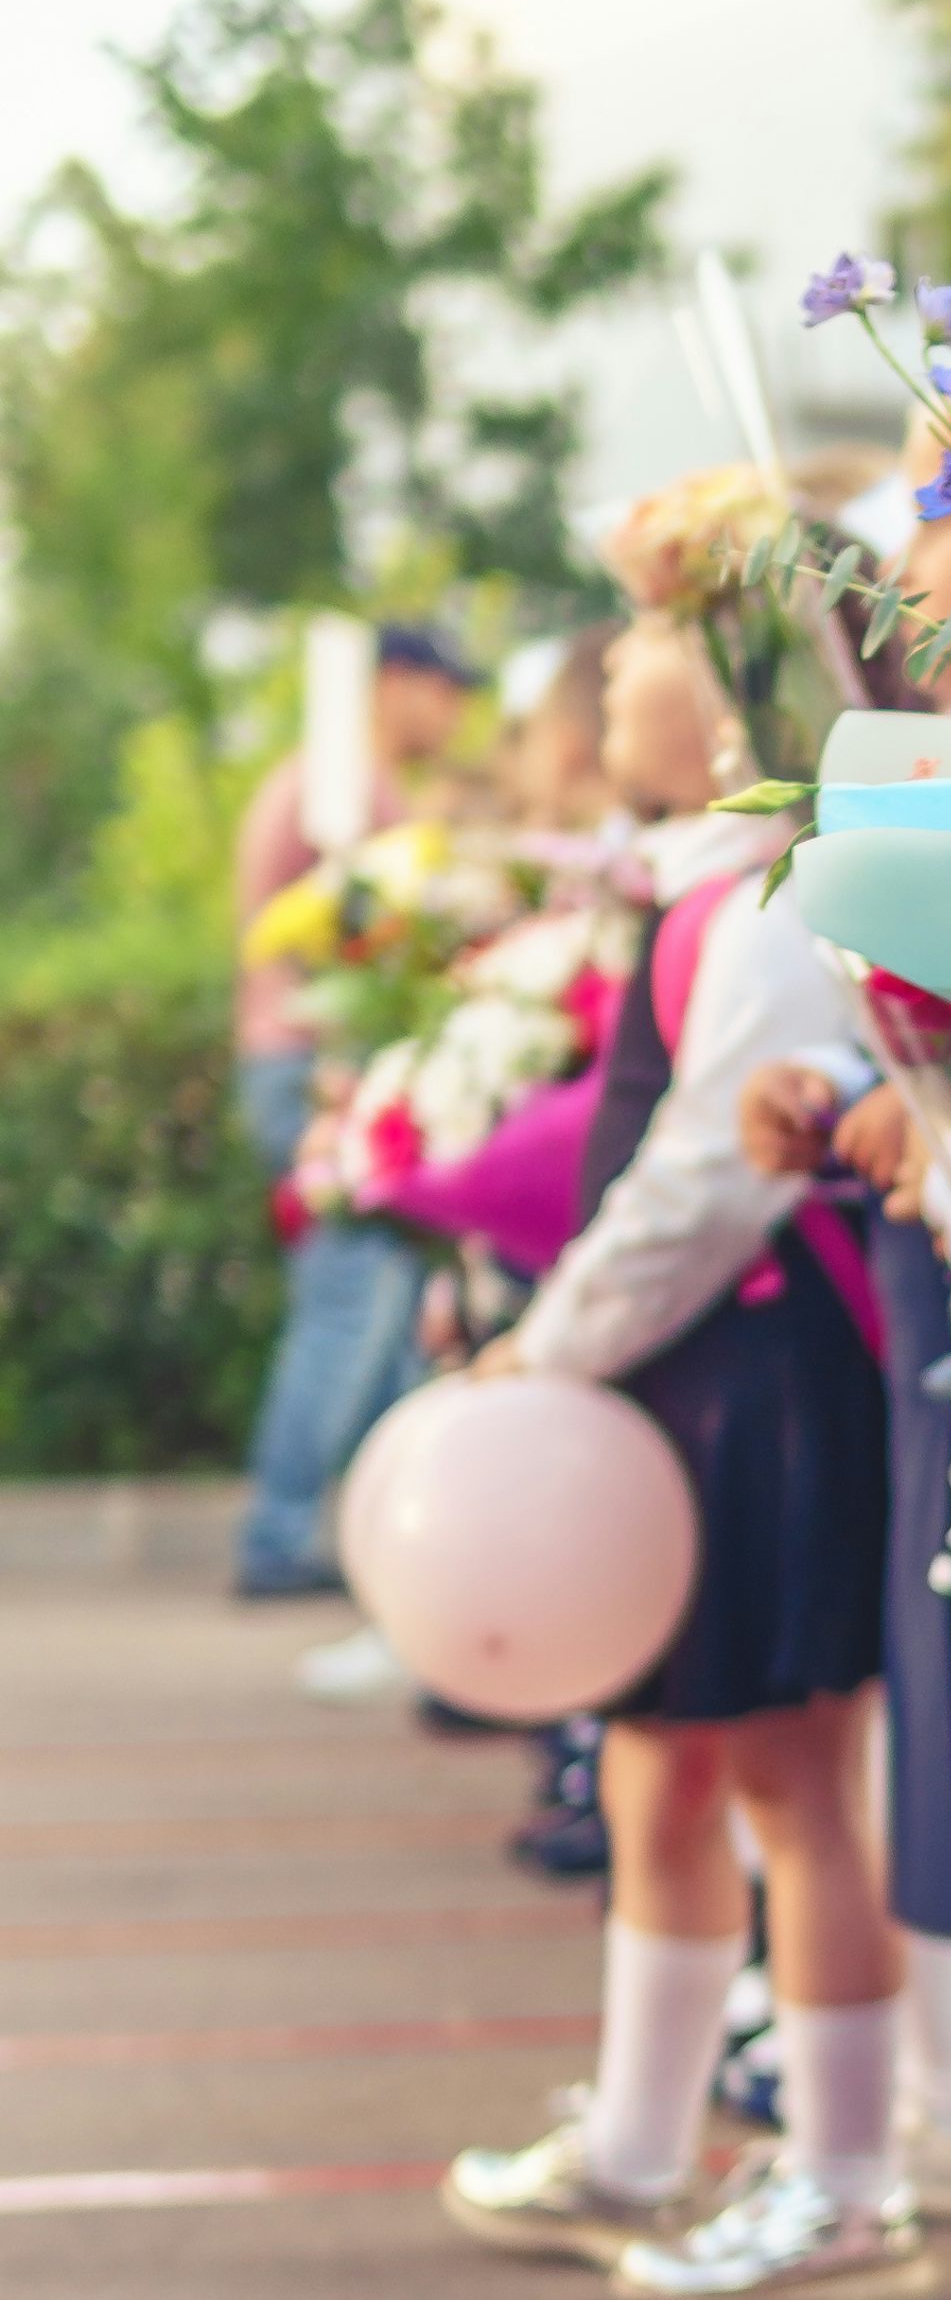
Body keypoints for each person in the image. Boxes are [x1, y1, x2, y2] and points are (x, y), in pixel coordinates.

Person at [443, 598, 907, 2300]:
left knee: (792, 1783)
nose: (612, 664)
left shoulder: (779, 888)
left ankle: (849, 2181)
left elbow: (719, 1170)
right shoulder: (707, 875)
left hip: (754, 1376)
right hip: (685, 1375)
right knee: (660, 1766)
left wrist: (547, 1345)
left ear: (728, 687)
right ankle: (643, 2144)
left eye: (644, 630)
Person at [230, 622, 484, 1599]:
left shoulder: (327, 775)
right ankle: (279, 1535)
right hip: (320, 1070)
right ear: (395, 684)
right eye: (446, 689)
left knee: (375, 1317)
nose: (456, 714)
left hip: (302, 1065)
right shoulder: (341, 788)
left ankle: (385, 1522)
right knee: (348, 1310)